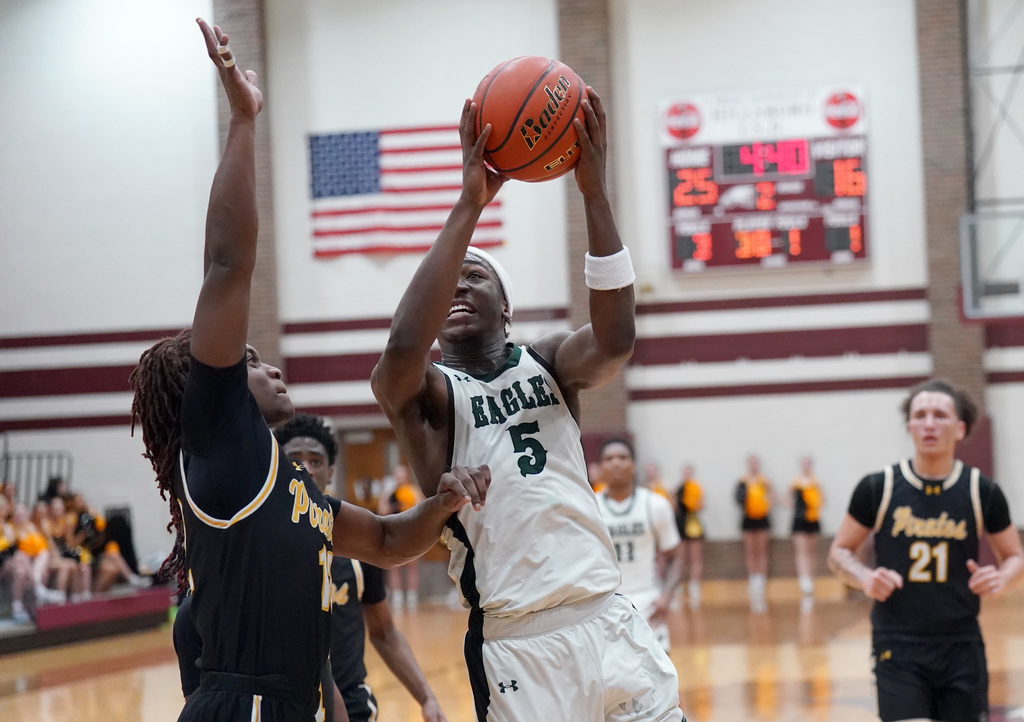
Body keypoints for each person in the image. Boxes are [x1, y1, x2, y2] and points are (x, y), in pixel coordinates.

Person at [128, 21, 489, 722]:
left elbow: (387, 541)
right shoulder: (217, 439)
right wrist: (242, 122)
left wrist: (443, 502)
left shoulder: (290, 486)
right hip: (244, 705)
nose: (265, 364)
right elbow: (230, 263)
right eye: (249, 362)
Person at [370, 89, 682, 721]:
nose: (458, 285)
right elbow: (403, 345)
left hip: (608, 615)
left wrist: (594, 194)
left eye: (475, 277)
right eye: (449, 281)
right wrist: (469, 204)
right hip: (517, 643)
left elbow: (617, 338)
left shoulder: (548, 362)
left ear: (505, 307)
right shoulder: (425, 396)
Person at [828, 379, 1024, 722]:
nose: (929, 423)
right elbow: (839, 552)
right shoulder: (879, 487)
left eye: (939, 415)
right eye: (920, 415)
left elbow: (1015, 557)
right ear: (909, 426)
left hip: (961, 642)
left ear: (960, 428)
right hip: (898, 642)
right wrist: (864, 577)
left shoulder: (982, 491)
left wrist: (1001, 579)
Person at [275, 415, 448, 722]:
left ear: (329, 472)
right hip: (285, 705)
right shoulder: (259, 549)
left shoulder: (359, 552)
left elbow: (384, 633)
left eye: (315, 460)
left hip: (352, 704)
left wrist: (427, 698)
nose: (306, 468)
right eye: (294, 460)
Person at [595, 438, 685, 652]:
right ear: (600, 468)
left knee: (661, 680)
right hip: (604, 603)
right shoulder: (589, 507)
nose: (616, 463)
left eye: (622, 457)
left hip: (648, 600)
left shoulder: (656, 504)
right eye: (609, 459)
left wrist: (667, 596)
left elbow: (677, 555)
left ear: (633, 465)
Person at [378, 464, 424, 611]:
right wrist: (393, 505)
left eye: (402, 475)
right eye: (397, 476)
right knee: (393, 566)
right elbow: (382, 511)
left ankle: (412, 596)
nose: (400, 478)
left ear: (407, 477)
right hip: (394, 532)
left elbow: (422, 509)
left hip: (410, 533)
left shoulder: (414, 491)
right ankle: (396, 595)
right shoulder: (388, 493)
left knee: (412, 565)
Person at [734, 454, 774, 611]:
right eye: (751, 462)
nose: (753, 465)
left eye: (756, 462)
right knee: (750, 550)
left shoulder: (765, 481)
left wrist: (765, 502)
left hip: (762, 518)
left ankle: (761, 579)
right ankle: (753, 578)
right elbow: (737, 499)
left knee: (762, 549)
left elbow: (773, 496)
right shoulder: (742, 481)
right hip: (747, 519)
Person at [788, 455, 824, 601]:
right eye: (804, 464)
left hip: (812, 518)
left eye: (808, 464)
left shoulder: (816, 482)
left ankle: (811, 578)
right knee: (801, 551)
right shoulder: (795, 483)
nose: (806, 466)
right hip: (799, 520)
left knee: (811, 550)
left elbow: (822, 500)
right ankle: (804, 580)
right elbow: (787, 499)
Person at [675, 463, 705, 610]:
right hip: (680, 524)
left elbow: (700, 505)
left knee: (695, 556)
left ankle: (695, 584)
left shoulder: (696, 487)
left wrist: (692, 502)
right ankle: (679, 584)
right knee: (680, 557)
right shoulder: (678, 488)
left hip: (692, 523)